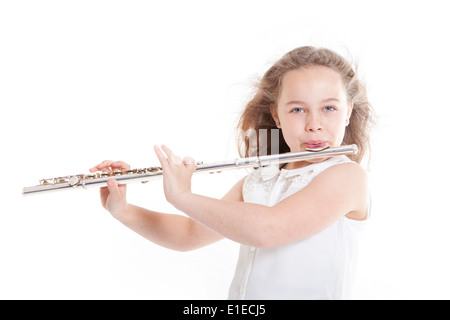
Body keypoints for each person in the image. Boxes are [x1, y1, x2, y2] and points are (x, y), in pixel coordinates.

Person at [90, 46, 375, 300]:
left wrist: (182, 196)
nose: (314, 124)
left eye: (329, 107)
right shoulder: (261, 180)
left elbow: (268, 230)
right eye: (298, 109)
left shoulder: (347, 178)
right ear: (276, 115)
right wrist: (123, 210)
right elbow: (188, 234)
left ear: (348, 111)